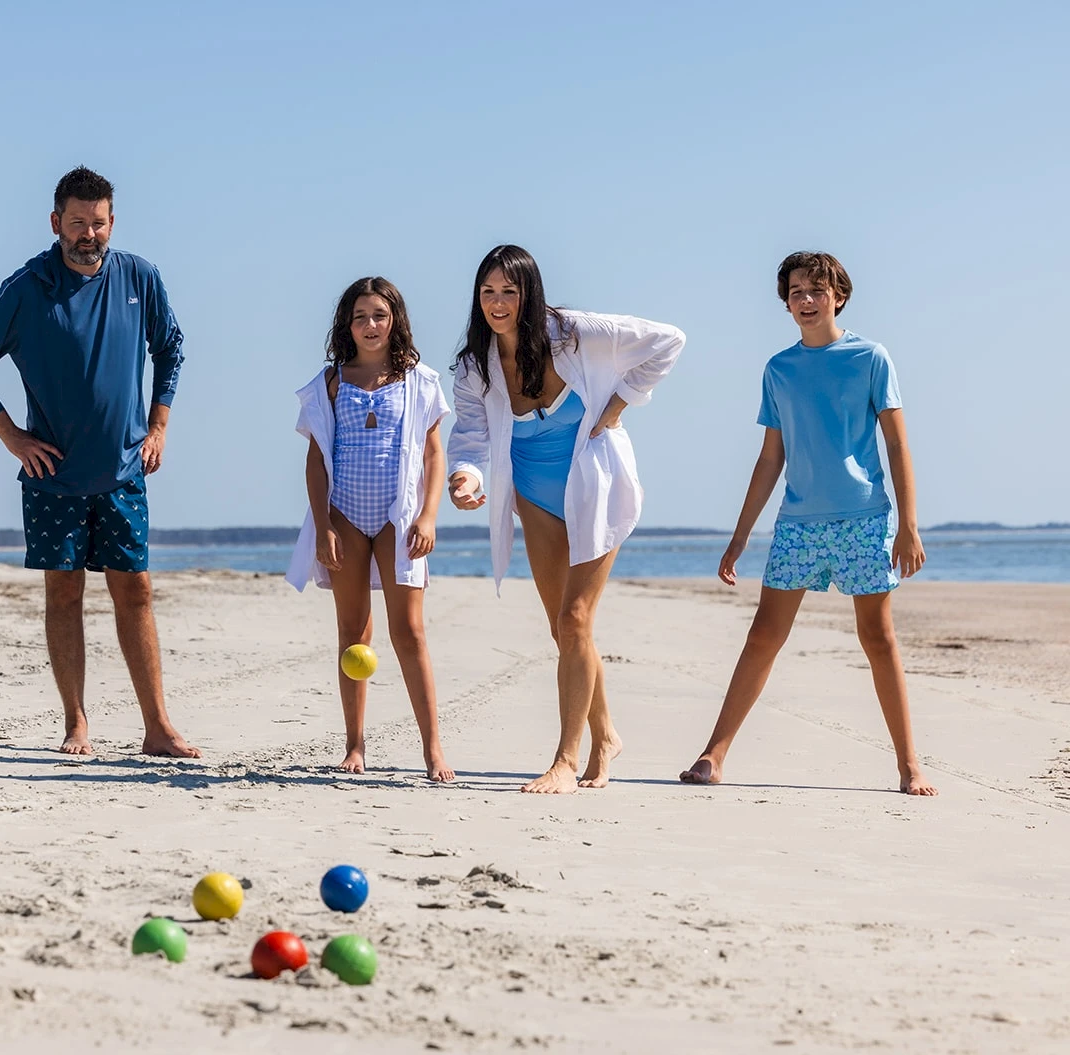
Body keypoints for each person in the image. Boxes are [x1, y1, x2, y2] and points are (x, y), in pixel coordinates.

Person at [0, 165, 198, 759]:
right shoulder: (27, 286)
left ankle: (158, 727)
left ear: (113, 222)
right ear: (56, 222)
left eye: (99, 222)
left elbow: (171, 348)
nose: (89, 234)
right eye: (78, 222)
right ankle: (76, 722)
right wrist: (12, 438)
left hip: (124, 470)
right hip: (52, 475)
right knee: (63, 594)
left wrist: (159, 426)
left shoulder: (139, 276)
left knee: (136, 592)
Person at [680, 251, 935, 795]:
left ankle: (908, 764)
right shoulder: (779, 369)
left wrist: (909, 525)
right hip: (798, 523)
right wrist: (739, 537)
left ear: (838, 296)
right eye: (796, 292)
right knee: (763, 634)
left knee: (878, 638)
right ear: (786, 303)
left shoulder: (870, 357)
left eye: (817, 290)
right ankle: (713, 755)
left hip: (863, 518)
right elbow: (770, 457)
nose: (807, 300)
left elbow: (897, 444)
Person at [446, 245, 684, 794]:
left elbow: (668, 340)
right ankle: (605, 736)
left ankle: (564, 761)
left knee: (576, 619)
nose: (498, 303)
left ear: (530, 294)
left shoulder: (575, 334)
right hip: (532, 495)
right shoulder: (475, 366)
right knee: (564, 627)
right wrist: (465, 477)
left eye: (509, 292)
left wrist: (621, 401)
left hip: (595, 488)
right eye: (488, 292)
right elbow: (472, 436)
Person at [286, 277, 455, 782]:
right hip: (344, 515)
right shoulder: (331, 381)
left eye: (379, 315)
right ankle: (354, 744)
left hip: (398, 517)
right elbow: (316, 460)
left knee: (410, 631)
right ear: (347, 325)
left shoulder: (419, 381)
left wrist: (429, 515)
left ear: (394, 319)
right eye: (360, 317)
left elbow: (434, 454)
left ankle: (433, 750)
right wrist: (323, 526)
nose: (370, 325)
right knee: (352, 632)